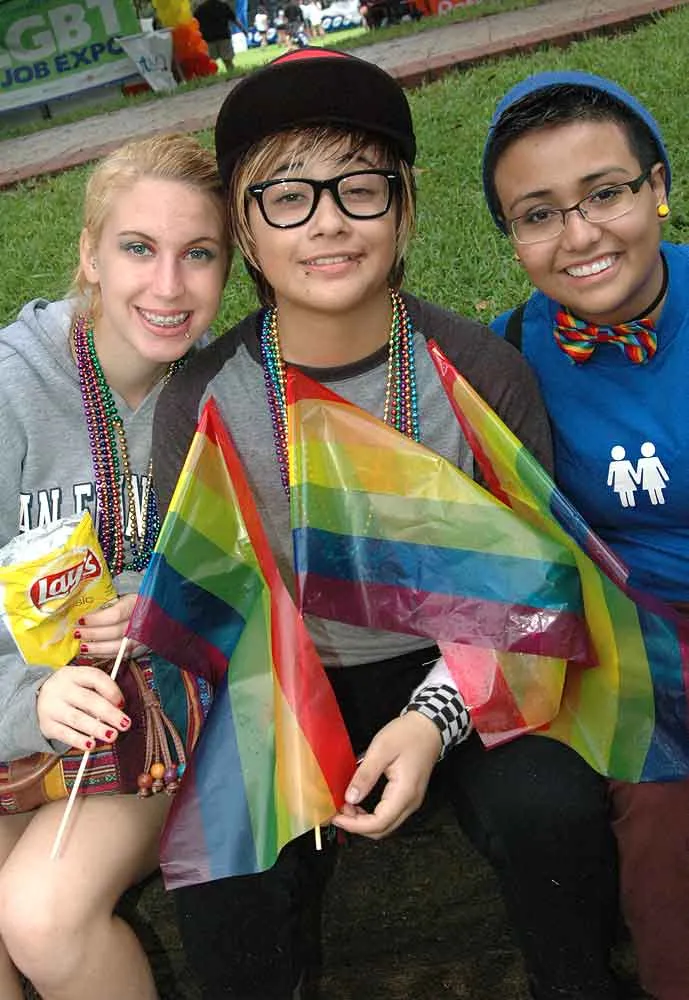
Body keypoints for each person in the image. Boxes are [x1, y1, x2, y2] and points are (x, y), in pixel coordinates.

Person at [153, 49, 623, 1000]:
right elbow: (204, 610)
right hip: (280, 677)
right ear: (245, 231)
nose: (327, 221)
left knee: (551, 809)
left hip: (469, 660)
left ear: (404, 208)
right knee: (227, 864)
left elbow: (537, 599)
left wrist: (431, 721)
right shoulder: (204, 400)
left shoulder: (479, 375)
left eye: (359, 189)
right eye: (287, 196)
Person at [0, 133, 228, 1000]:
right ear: (90, 255)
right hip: (19, 706)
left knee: (40, 914)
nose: (168, 286)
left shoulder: (229, 390)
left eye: (198, 254)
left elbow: (259, 574)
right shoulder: (12, 391)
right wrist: (29, 700)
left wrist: (167, 607)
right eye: (138, 248)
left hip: (155, 715)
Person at [482, 69, 689, 1000]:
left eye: (604, 193)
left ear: (657, 186)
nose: (579, 235)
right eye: (538, 214)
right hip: (633, 658)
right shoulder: (502, 363)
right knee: (660, 824)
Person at [195, 0, 240, 70]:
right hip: (224, 36)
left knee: (210, 62)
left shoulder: (201, 9)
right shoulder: (223, 6)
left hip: (209, 39)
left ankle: (212, 75)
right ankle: (232, 73)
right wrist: (243, 30)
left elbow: (196, 23)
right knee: (228, 61)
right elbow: (234, 19)